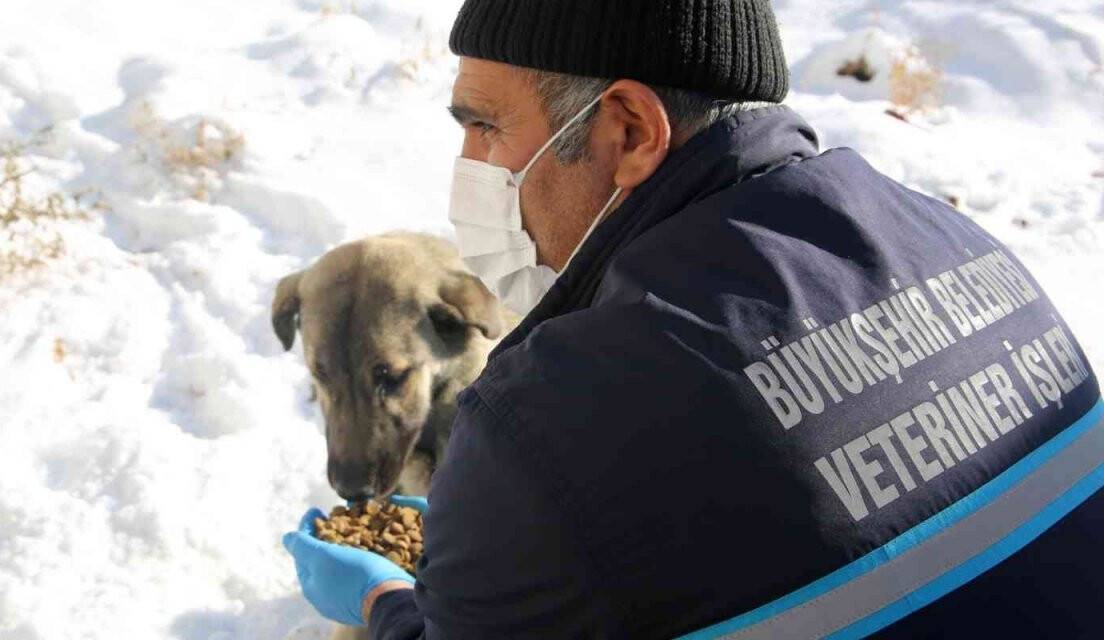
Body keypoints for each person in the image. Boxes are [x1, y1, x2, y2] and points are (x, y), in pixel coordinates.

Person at [283, 0, 1104, 637]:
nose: (471, 169)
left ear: (631, 130)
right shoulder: (955, 240)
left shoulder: (546, 426)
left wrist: (390, 601)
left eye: (486, 126)